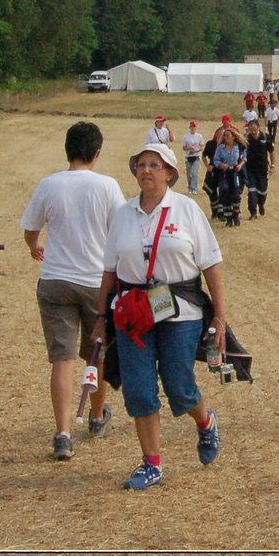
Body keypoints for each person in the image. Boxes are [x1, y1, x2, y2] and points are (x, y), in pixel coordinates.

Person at [93, 142, 225, 490]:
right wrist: (98, 317)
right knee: (138, 388)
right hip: (132, 312)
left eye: (155, 164)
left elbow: (210, 264)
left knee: (179, 386)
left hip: (180, 311)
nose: (146, 170)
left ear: (169, 172)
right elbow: (110, 269)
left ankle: (205, 421)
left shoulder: (187, 210)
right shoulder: (123, 214)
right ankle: (151, 464)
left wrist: (220, 318)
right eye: (141, 164)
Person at [20, 122, 125, 462]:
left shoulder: (49, 185)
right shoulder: (107, 186)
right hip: (96, 282)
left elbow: (31, 229)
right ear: (97, 152)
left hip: (55, 281)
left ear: (67, 149)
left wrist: (37, 247)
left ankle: (63, 433)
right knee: (97, 353)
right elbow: (120, 231)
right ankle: (96, 417)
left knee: (62, 359)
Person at [211, 128, 244, 228]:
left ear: (233, 137)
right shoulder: (220, 148)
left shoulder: (239, 147)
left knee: (236, 194)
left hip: (235, 173)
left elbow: (244, 158)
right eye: (224, 136)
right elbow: (215, 160)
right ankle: (228, 218)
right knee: (224, 192)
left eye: (228, 135)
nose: (225, 137)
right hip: (224, 173)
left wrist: (240, 165)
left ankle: (236, 215)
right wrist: (221, 165)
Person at [242, 119, 275, 220]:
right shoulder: (246, 140)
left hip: (262, 170)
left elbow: (271, 152)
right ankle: (253, 212)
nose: (253, 132)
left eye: (255, 130)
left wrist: (272, 165)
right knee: (252, 191)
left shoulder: (265, 138)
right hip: (250, 170)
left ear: (258, 128)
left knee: (263, 191)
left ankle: (261, 204)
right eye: (251, 130)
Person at [180, 121, 205, 196]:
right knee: (189, 173)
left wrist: (197, 149)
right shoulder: (186, 136)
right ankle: (190, 187)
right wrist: (189, 148)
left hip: (196, 156)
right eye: (192, 127)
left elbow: (202, 146)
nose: (193, 128)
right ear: (190, 127)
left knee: (194, 172)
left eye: (194, 127)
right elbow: (183, 147)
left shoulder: (199, 136)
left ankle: (194, 188)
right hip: (188, 157)